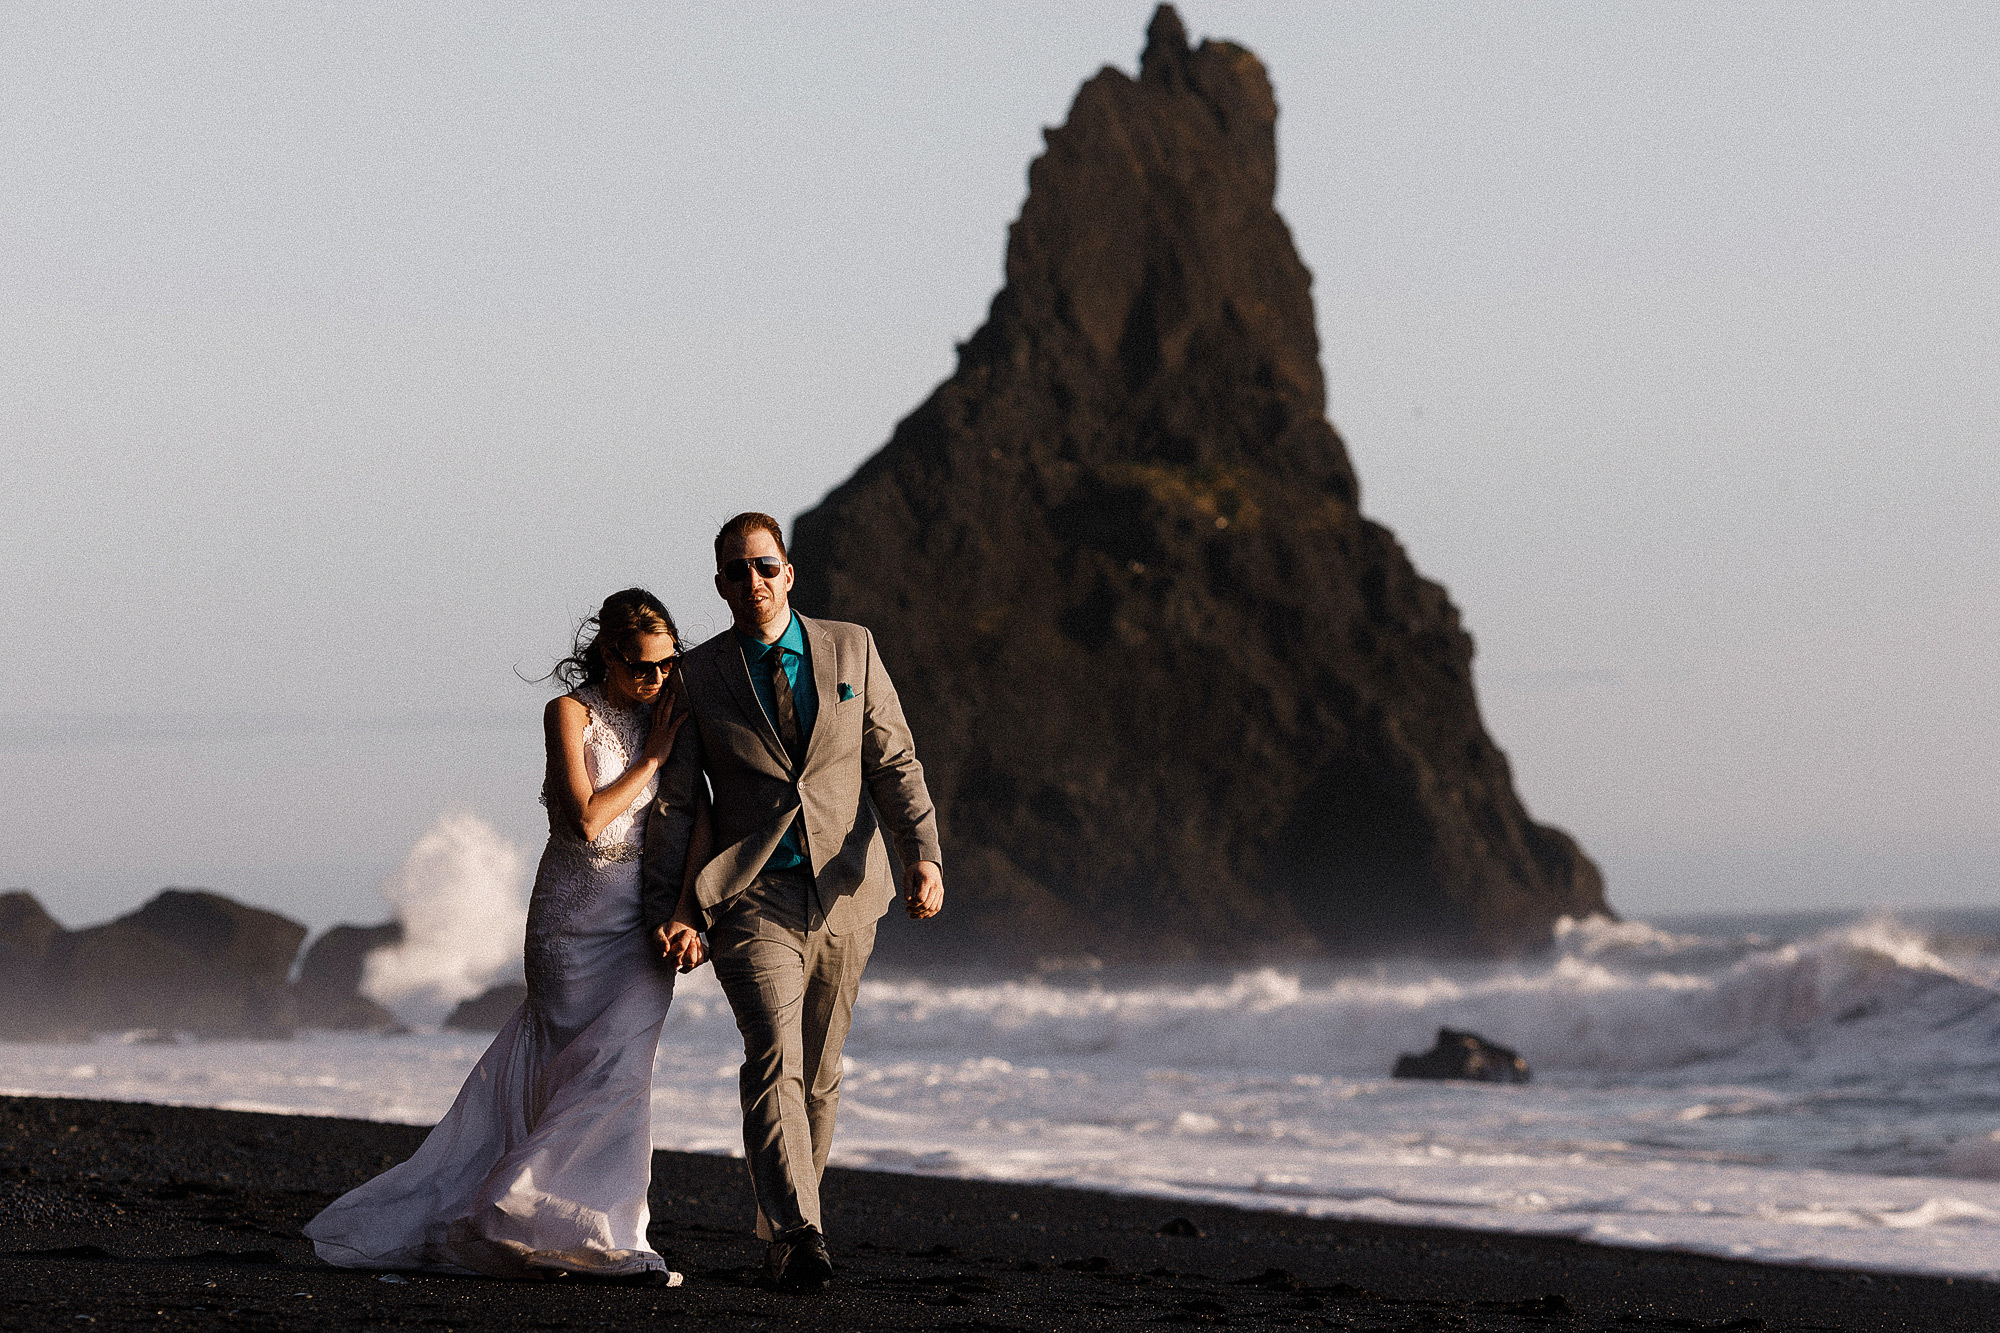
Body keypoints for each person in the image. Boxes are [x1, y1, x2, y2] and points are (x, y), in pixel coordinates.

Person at [305, 588, 708, 1282]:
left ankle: (606, 1231)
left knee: (623, 1073)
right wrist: (650, 760)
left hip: (639, 922)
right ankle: (519, 1212)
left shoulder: (671, 711)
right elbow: (583, 819)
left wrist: (690, 910)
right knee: (566, 1064)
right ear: (608, 654)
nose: (656, 680)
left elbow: (700, 811)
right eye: (643, 667)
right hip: (571, 919)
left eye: (668, 666)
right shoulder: (568, 712)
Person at [643, 512, 944, 1292]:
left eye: (765, 567)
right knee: (774, 1055)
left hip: (847, 889)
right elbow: (678, 802)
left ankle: (781, 1218)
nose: (754, 583)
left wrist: (923, 856)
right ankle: (800, 1234)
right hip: (751, 895)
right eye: (737, 571)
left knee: (820, 1069)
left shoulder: (853, 646)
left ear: (789, 571)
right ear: (720, 584)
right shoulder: (698, 675)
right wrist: (667, 909)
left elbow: (894, 759)